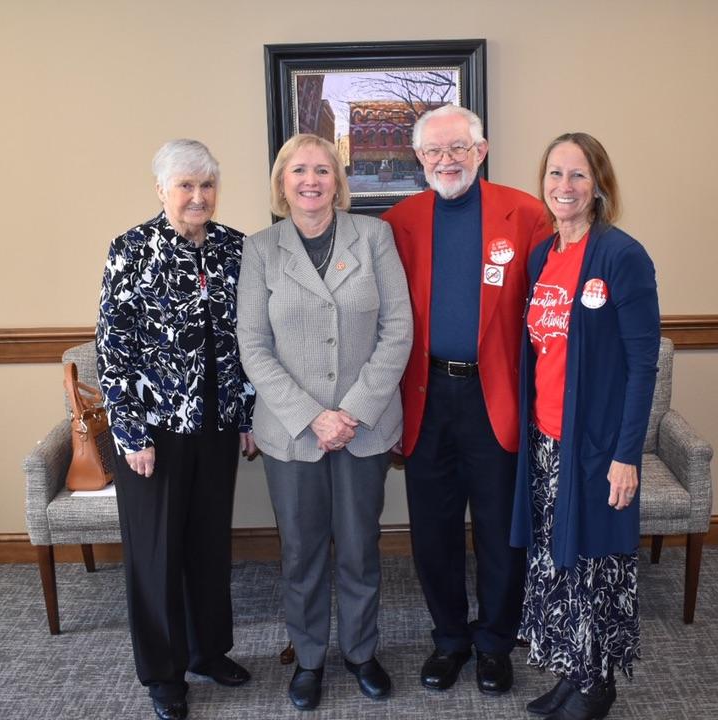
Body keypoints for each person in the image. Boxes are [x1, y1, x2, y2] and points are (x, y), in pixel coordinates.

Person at [236, 134, 412, 711]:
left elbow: (398, 331)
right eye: (298, 171)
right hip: (292, 431)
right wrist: (314, 416)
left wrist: (350, 412)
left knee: (360, 547)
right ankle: (309, 658)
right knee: (302, 551)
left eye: (321, 170)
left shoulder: (374, 237)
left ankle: (361, 652)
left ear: (338, 181)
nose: (310, 181)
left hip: (365, 426)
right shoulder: (261, 249)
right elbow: (253, 346)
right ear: (281, 183)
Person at [381, 105, 552, 695]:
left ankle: (496, 643)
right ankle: (450, 639)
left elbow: (549, 316)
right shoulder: (399, 221)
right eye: (433, 151)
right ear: (419, 158)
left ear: (481, 151)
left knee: (501, 530)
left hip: (494, 397)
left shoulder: (526, 215)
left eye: (458, 148)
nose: (446, 160)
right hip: (426, 396)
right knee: (433, 530)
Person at [96, 139, 256, 720]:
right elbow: (112, 348)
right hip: (154, 433)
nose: (197, 196)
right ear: (161, 189)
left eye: (206, 185)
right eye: (185, 185)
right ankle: (164, 674)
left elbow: (249, 340)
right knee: (157, 553)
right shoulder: (131, 249)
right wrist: (130, 433)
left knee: (208, 544)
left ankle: (208, 652)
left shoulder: (235, 248)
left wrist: (246, 414)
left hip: (217, 424)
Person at [510, 133, 660, 720]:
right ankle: (573, 672)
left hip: (597, 449)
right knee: (558, 564)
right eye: (555, 173)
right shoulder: (541, 256)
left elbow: (642, 365)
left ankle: (598, 686)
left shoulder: (622, 256)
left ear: (598, 184)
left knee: (595, 565)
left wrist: (627, 456)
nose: (564, 186)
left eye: (577, 175)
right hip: (546, 442)